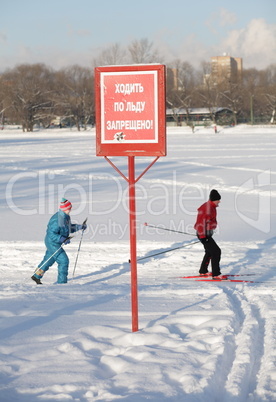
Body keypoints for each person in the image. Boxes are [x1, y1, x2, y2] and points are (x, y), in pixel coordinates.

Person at [31, 198, 87, 284]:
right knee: (63, 261)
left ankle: (36, 276)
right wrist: (62, 239)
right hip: (52, 242)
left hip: (56, 242)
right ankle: (62, 283)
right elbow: (51, 234)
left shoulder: (65, 217)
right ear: (64, 208)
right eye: (69, 208)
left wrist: (79, 227)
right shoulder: (57, 219)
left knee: (49, 259)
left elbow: (67, 228)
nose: (70, 209)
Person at [194, 189, 222, 279]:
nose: (219, 202)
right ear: (214, 200)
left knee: (210, 251)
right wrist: (203, 236)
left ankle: (203, 271)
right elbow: (200, 223)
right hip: (204, 234)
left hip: (206, 233)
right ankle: (216, 274)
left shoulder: (211, 206)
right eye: (218, 200)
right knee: (216, 252)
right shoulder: (207, 208)